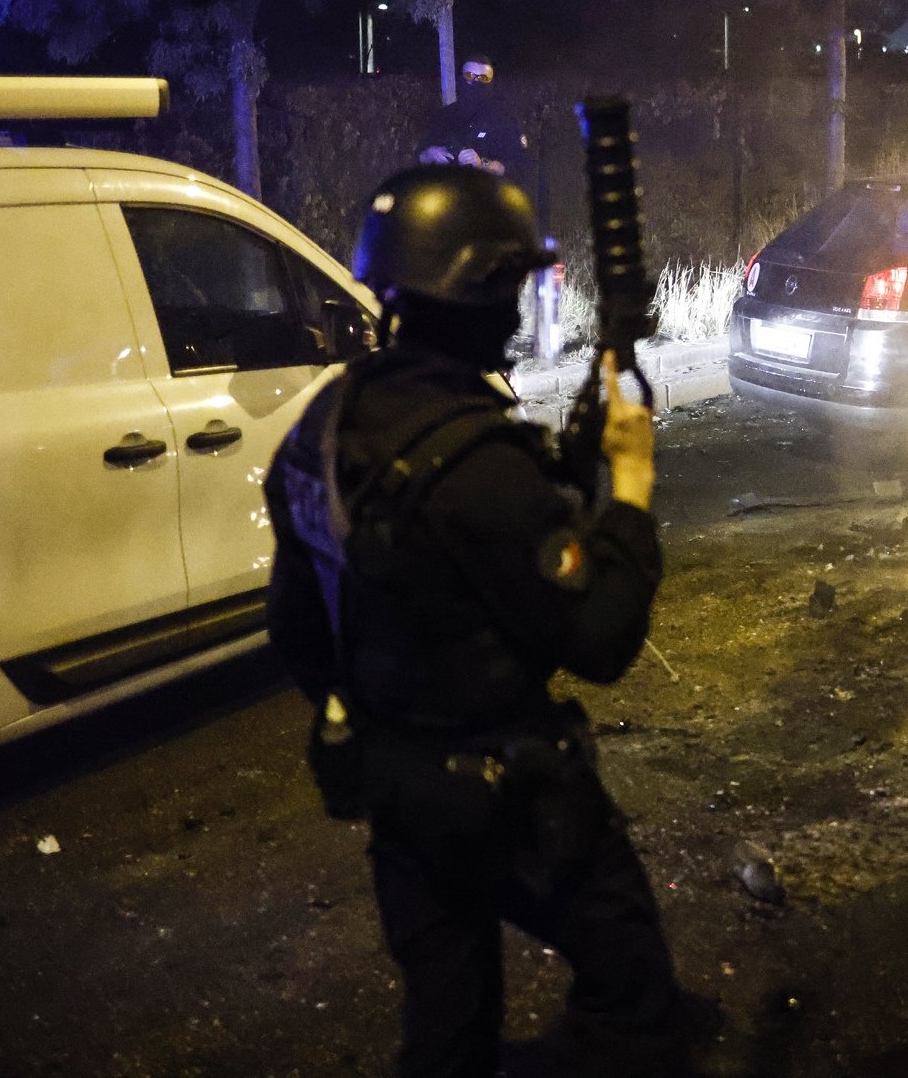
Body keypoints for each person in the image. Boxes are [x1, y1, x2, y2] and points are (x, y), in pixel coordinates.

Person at [265, 165, 691, 1077]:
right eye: (513, 284)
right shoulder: (478, 466)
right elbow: (602, 638)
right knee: (635, 998)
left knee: (448, 1032)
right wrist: (632, 490)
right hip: (513, 798)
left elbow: (296, 632)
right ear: (483, 293)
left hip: (398, 792)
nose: (518, 303)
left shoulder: (322, 429)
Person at [419, 56, 529, 176]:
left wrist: (482, 165)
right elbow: (419, 157)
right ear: (460, 78)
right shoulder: (444, 116)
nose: (475, 82)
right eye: (469, 76)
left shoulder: (505, 120)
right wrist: (430, 154)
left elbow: (519, 166)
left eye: (483, 78)